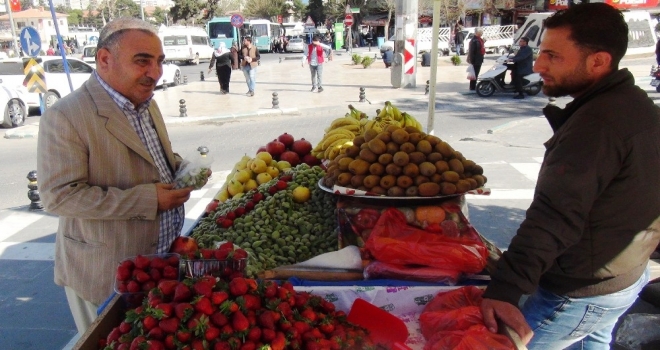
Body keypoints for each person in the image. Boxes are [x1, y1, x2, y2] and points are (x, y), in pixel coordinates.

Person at [480, 3, 660, 349]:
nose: (537, 65)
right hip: (624, 278)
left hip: (579, 290)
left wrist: (505, 289)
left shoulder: (598, 124)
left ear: (598, 61)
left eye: (552, 55)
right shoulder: (635, 103)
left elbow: (554, 214)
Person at [37, 17, 197, 334]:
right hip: (105, 276)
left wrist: (181, 169)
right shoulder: (66, 116)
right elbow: (59, 196)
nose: (155, 72)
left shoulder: (146, 103)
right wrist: (149, 199)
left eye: (159, 61)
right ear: (105, 60)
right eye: (142, 61)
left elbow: (151, 157)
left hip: (158, 264)